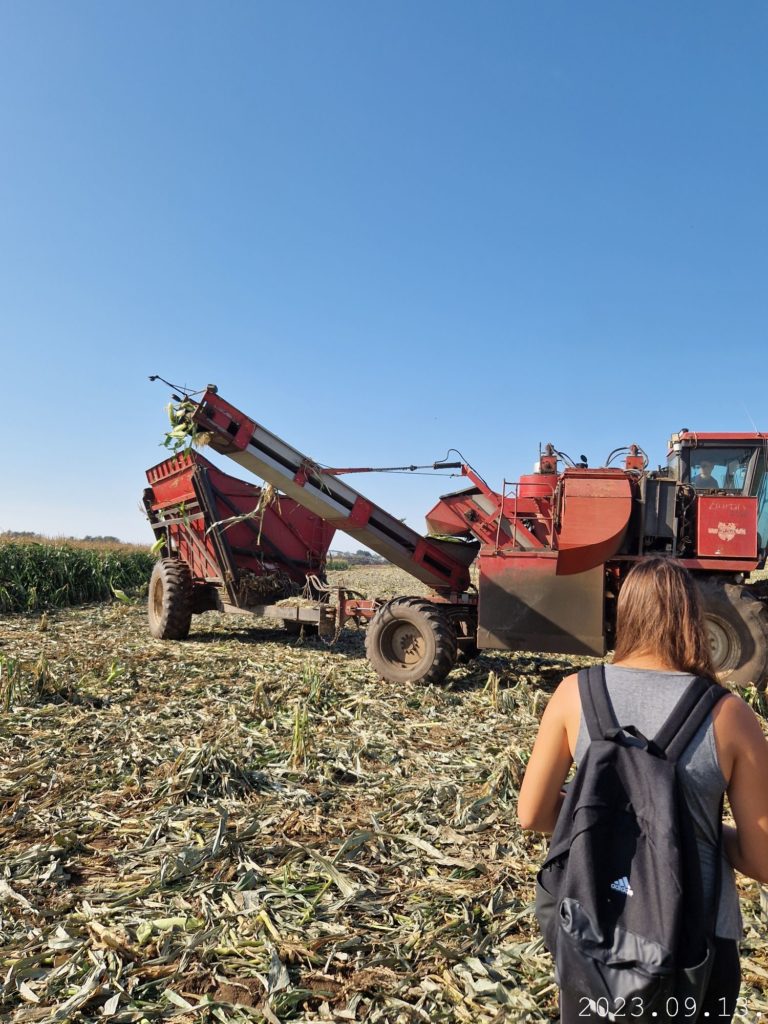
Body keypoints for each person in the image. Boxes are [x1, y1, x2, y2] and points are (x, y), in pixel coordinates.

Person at [517, 557, 768, 1023]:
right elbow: (762, 859)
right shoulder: (729, 714)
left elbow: (531, 814)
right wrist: (697, 829)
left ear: (625, 615)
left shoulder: (574, 694)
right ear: (692, 620)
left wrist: (608, 816)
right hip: (696, 948)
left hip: (594, 935)